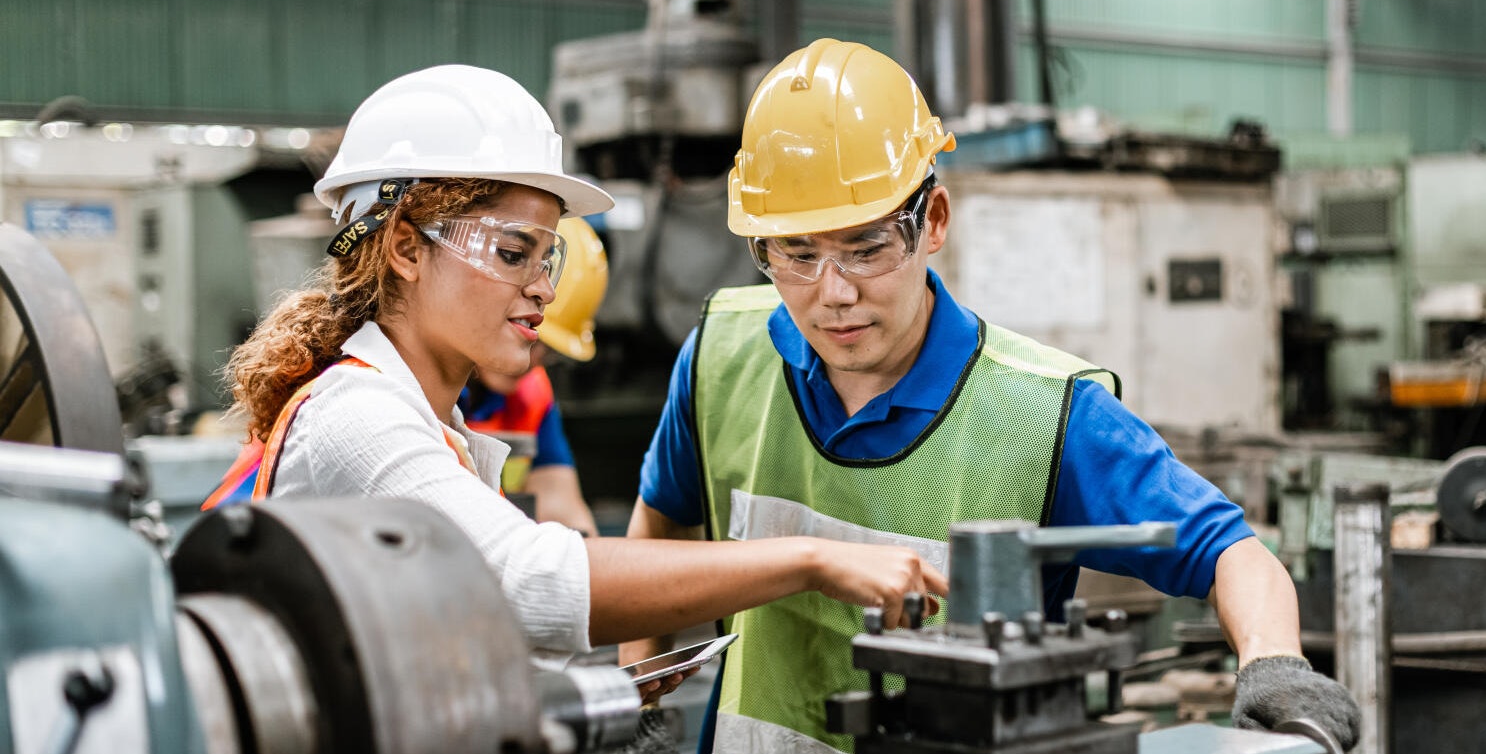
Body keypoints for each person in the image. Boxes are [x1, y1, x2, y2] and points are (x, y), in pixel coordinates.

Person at [622, 39, 1360, 754]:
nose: (832, 293)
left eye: (866, 246)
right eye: (796, 254)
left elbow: (1231, 553)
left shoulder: (1042, 413)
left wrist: (1275, 667)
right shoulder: (723, 356)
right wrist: (639, 710)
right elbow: (655, 534)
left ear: (931, 220)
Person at [207, 64, 946, 682]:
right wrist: (812, 558)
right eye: (511, 253)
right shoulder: (358, 417)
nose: (543, 287)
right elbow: (532, 584)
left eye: (547, 255)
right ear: (404, 247)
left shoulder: (429, 419)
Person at [459, 216, 606, 535]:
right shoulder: (414, 386)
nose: (531, 361)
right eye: (525, 329)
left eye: (548, 350)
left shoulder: (532, 394)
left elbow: (563, 509)